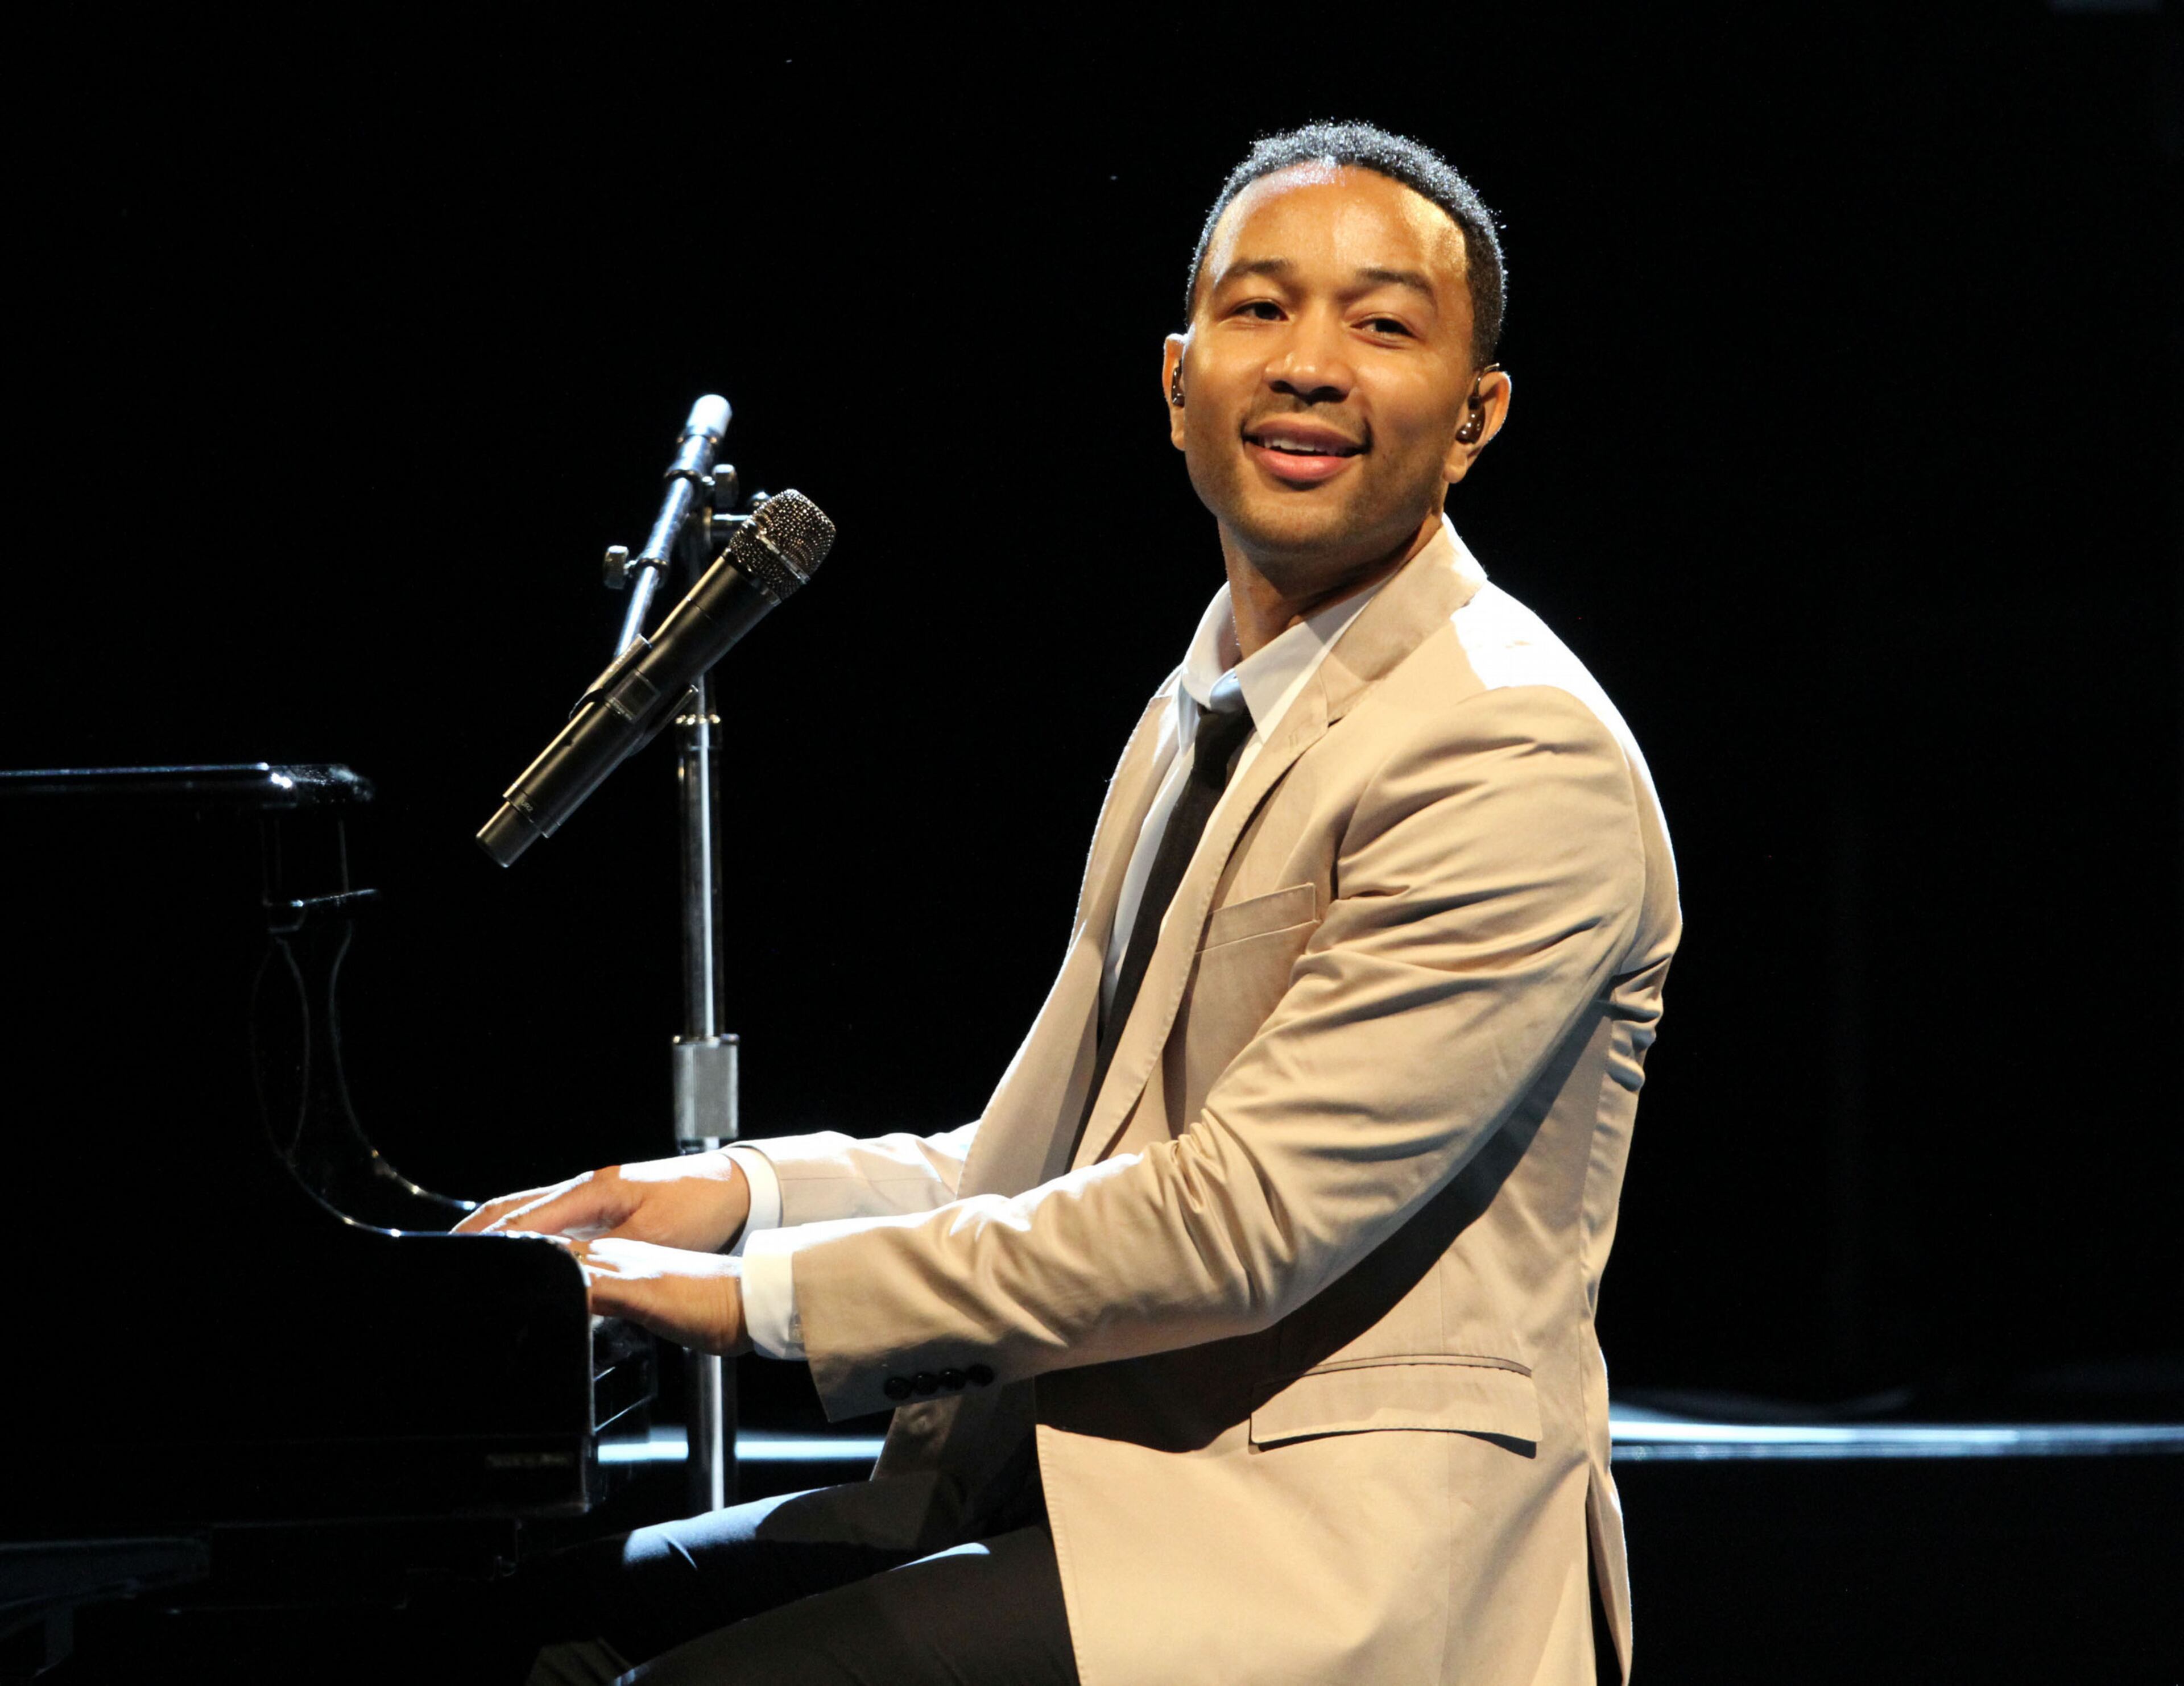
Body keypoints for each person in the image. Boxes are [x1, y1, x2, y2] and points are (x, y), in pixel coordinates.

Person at [458, 119, 1680, 1686]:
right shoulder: (1212, 700)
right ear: (1179, 383)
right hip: (1106, 1486)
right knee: (509, 1625)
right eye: (1261, 310)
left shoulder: (1514, 747)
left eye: (1383, 326)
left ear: (1476, 415)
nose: (1309, 365)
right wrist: (713, 1198)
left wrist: (734, 1300)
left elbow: (1236, 1220)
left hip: (1335, 1559)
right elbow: (1042, 1160)